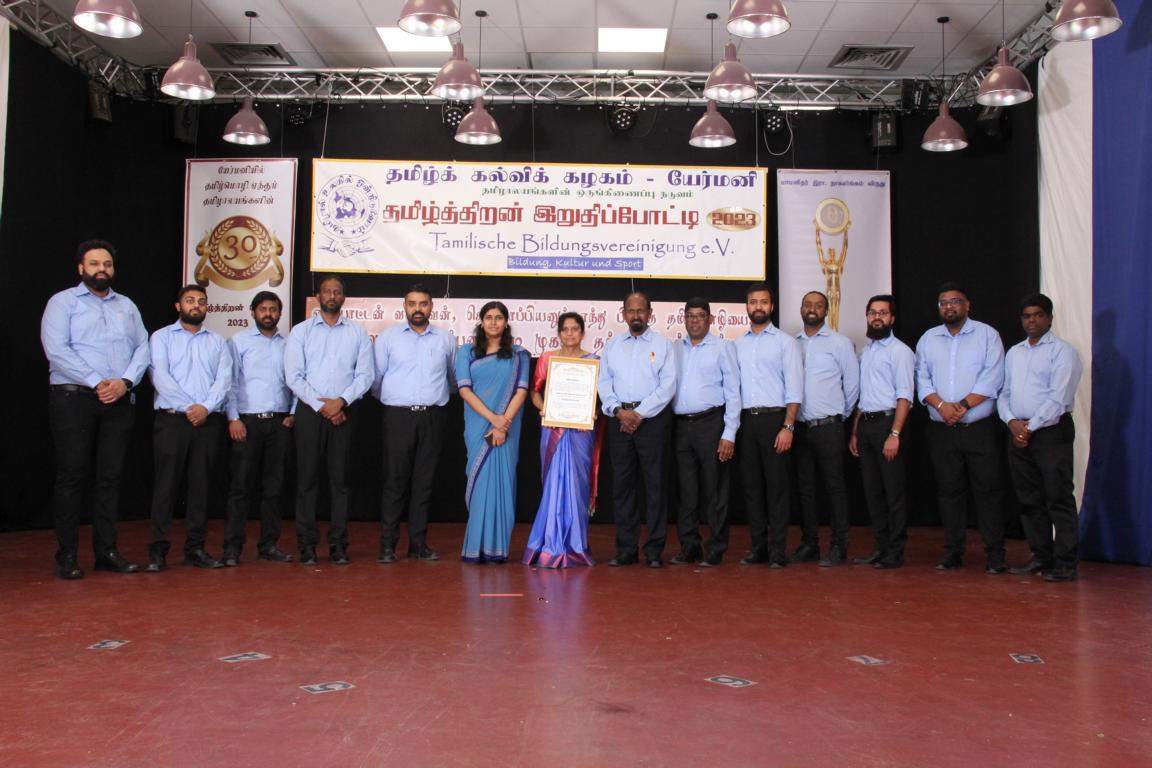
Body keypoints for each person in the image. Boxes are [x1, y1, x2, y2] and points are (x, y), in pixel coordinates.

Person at [40, 239, 149, 579]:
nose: (102, 269)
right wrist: (96, 381)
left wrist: (126, 382)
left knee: (110, 479)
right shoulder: (63, 302)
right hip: (74, 399)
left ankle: (107, 552)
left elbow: (143, 347)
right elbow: (56, 349)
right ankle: (67, 555)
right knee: (72, 476)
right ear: (81, 268)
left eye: (107, 264)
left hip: (118, 399)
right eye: (94, 264)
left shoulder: (127, 305)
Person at [916, 283, 1007, 573]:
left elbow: (993, 378)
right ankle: (953, 551)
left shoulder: (987, 335)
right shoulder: (929, 339)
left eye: (955, 301)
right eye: (943, 302)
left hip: (978, 428)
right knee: (949, 491)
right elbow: (921, 379)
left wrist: (963, 406)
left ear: (968, 305)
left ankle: (995, 553)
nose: (949, 306)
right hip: (942, 430)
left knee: (988, 491)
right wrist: (942, 406)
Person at [284, 275, 373, 566]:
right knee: (307, 480)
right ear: (318, 296)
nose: (332, 296)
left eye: (337, 292)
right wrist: (323, 406)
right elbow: (294, 376)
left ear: (343, 297)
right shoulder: (301, 332)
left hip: (344, 412)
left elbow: (365, 376)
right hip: (310, 413)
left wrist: (341, 402)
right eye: (326, 291)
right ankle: (307, 546)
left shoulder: (357, 333)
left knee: (341, 481)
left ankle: (338, 545)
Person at [146, 284, 232, 571]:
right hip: (172, 420)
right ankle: (158, 550)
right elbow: (160, 376)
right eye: (190, 301)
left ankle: (196, 548)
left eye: (201, 301)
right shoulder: (161, 337)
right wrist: (189, 408)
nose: (196, 305)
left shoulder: (217, 342)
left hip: (207, 422)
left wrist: (205, 408)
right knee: (166, 486)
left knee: (201, 487)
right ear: (178, 306)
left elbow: (224, 380)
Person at [999, 294, 1083, 582]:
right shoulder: (1015, 353)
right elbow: (1004, 393)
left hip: (1051, 433)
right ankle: (1041, 556)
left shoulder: (1063, 352)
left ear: (1049, 318)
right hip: (1018, 431)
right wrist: (1012, 422)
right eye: (1027, 316)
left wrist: (1029, 428)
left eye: (1037, 315)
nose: (1032, 320)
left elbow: (1058, 399)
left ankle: (1066, 562)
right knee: (1029, 498)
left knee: (1058, 496)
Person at [374, 283, 457, 563]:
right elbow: (376, 380)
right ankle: (388, 546)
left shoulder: (445, 339)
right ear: (404, 306)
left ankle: (418, 545)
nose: (418, 309)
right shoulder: (388, 338)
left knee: (424, 483)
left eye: (423, 304)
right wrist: (398, 401)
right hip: (398, 417)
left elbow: (453, 379)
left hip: (433, 416)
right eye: (412, 304)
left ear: (431, 307)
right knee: (394, 482)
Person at [597, 292, 677, 568]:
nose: (635, 315)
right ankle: (626, 549)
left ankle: (654, 550)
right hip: (620, 420)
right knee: (623, 487)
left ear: (650, 313)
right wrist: (619, 411)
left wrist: (639, 413)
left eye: (640, 310)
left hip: (652, 421)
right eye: (630, 311)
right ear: (623, 314)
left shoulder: (663, 345)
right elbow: (604, 383)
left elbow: (667, 386)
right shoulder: (612, 346)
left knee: (655, 486)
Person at [221, 291, 296, 566]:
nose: (268, 314)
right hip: (247, 422)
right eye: (263, 309)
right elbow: (229, 382)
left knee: (273, 488)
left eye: (273, 309)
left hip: (279, 422)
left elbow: (296, 380)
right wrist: (233, 418)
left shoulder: (288, 344)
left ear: (280, 313)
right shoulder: (238, 342)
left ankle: (269, 545)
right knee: (240, 488)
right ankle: (232, 548)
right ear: (252, 312)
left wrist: (293, 414)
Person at [524, 312, 603, 568]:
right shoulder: (548, 358)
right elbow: (534, 392)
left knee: (578, 486)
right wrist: (544, 408)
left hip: (581, 431)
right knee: (553, 485)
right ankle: (549, 544)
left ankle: (576, 546)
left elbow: (600, 397)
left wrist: (594, 412)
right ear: (559, 333)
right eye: (565, 329)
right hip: (554, 428)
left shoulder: (594, 361)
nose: (570, 334)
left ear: (583, 332)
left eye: (575, 329)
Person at [733, 283, 802, 568]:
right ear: (747, 307)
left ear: (771, 307)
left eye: (763, 302)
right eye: (753, 302)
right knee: (752, 488)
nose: (758, 307)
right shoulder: (737, 344)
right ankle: (758, 548)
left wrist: (788, 426)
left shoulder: (786, 343)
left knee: (777, 488)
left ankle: (777, 551)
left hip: (776, 420)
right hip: (746, 421)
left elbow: (795, 389)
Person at [456, 301, 530, 563]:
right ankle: (476, 547)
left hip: (508, 428)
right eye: (489, 317)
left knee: (503, 483)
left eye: (499, 318)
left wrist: (503, 423)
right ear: (481, 321)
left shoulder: (519, 355)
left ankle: (497, 549)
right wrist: (493, 420)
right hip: (479, 426)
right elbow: (464, 390)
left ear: (506, 322)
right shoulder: (466, 352)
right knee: (480, 484)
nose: (494, 322)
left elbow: (521, 391)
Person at [669, 298, 741, 567]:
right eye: (690, 316)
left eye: (700, 316)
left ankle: (716, 548)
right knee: (686, 491)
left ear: (710, 319)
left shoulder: (723, 347)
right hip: (681, 426)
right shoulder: (674, 349)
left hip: (712, 424)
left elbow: (733, 392)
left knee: (715, 490)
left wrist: (729, 432)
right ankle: (689, 547)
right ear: (684, 319)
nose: (695, 321)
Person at [792, 291, 859, 566]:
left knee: (835, 487)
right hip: (799, 427)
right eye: (808, 305)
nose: (812, 309)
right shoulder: (792, 344)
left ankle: (839, 545)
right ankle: (810, 543)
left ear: (826, 310)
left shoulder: (840, 343)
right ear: (801, 309)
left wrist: (838, 416)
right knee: (805, 488)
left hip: (829, 427)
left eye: (818, 305)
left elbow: (852, 386)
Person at [849, 294, 915, 569]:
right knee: (873, 491)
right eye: (872, 313)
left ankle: (895, 551)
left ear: (892, 318)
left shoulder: (900, 352)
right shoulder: (866, 352)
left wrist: (895, 434)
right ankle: (881, 546)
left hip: (889, 425)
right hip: (866, 425)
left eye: (883, 313)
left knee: (893, 492)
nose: (877, 317)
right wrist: (855, 432)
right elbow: (863, 397)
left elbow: (905, 397)